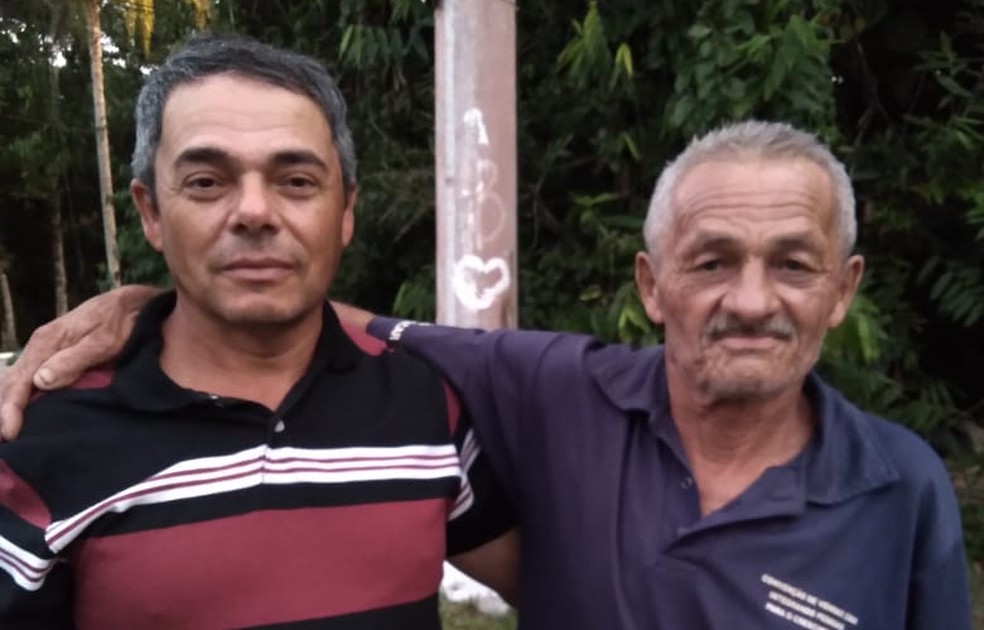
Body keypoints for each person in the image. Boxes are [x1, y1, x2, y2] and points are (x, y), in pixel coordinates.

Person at [0, 121, 971, 629]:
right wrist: (157, 300)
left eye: (793, 264)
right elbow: (325, 314)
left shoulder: (902, 485)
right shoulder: (552, 389)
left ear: (841, 291)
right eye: (711, 260)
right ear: (653, 285)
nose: (752, 300)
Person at [0, 33, 517, 629]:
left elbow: (582, 584)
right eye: (207, 182)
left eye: (296, 181)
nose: (254, 211)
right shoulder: (48, 445)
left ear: (345, 210)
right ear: (150, 213)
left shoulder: (429, 405)